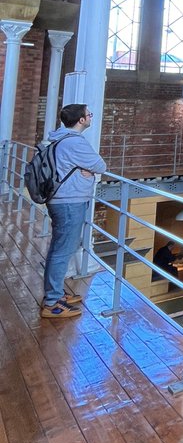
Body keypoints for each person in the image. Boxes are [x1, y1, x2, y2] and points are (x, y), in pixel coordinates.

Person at [41, 104, 107, 320]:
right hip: (69, 201)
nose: (90, 117)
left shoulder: (60, 138)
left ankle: (55, 293)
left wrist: (84, 168)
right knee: (62, 251)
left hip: (63, 200)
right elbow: (100, 165)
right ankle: (52, 303)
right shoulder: (75, 142)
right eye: (89, 114)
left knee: (59, 249)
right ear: (81, 120)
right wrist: (88, 169)